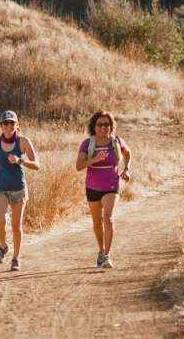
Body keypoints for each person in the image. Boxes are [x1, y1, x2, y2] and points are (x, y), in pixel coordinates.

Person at [0, 110, 40, 271]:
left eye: (12, 123)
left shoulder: (23, 142)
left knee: (16, 226)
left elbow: (37, 165)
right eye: (5, 123)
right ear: (1, 126)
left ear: (17, 125)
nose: (9, 126)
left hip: (18, 189)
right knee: (0, 220)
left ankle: (15, 259)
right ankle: (3, 246)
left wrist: (20, 160)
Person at [76, 110, 131, 269]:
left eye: (107, 124)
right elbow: (78, 166)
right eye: (99, 124)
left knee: (108, 218)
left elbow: (128, 153)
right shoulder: (87, 144)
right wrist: (94, 159)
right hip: (92, 186)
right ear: (94, 127)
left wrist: (126, 169)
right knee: (96, 222)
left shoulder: (116, 142)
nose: (103, 127)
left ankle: (107, 255)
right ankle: (101, 251)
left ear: (111, 127)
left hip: (112, 185)